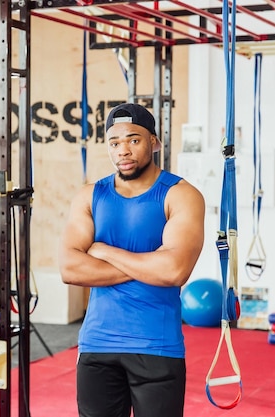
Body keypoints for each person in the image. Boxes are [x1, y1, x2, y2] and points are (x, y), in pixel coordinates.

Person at [59, 102, 206, 417]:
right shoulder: (90, 195)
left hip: (156, 346)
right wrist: (151, 263)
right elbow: (70, 268)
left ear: (154, 143)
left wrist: (105, 251)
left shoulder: (180, 195)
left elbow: (175, 271)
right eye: (115, 143)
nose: (123, 150)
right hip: (97, 345)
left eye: (133, 140)